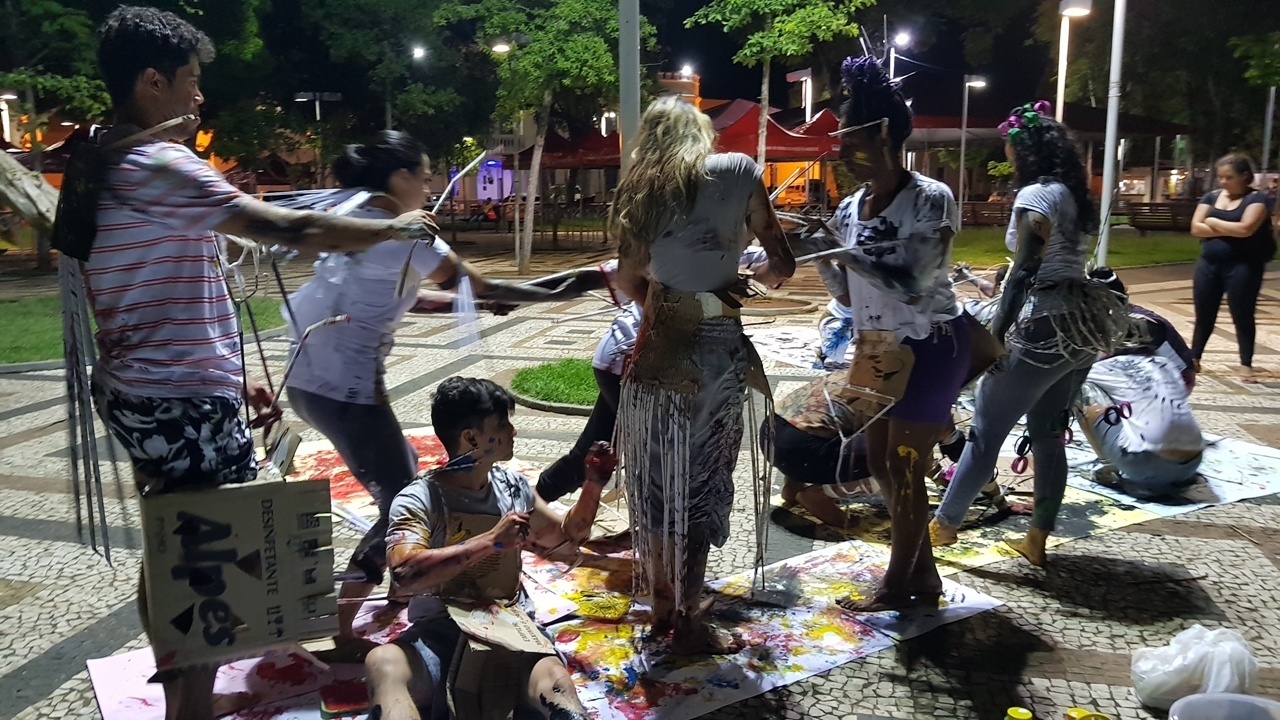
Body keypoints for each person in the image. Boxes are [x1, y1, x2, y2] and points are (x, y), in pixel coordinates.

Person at [82, 8, 438, 720]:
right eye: (190, 81)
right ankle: (190, 704)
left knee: (171, 539)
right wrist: (389, 230)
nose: (198, 96)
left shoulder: (102, 154)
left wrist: (226, 373)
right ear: (152, 81)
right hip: (176, 395)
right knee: (205, 558)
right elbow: (287, 225)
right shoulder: (159, 163)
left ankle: (181, 688)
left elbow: (153, 280)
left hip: (144, 385)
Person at [283, 131, 576, 656]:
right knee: (400, 502)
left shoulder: (357, 219)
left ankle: (389, 590)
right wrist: (582, 284)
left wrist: (472, 302)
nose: (429, 186)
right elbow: (481, 285)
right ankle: (342, 623)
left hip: (307, 381)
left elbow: (404, 298)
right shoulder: (410, 235)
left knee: (400, 481)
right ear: (398, 178)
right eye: (422, 176)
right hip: (347, 389)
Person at [611, 96, 795, 654]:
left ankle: (662, 606)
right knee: (703, 481)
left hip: (655, 353)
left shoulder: (641, 188)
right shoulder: (738, 170)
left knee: (656, 482)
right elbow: (782, 264)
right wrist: (742, 276)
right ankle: (690, 619)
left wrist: (674, 295)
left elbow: (628, 280)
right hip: (715, 356)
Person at [930, 101, 1130, 567]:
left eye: (1010, 147)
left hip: (1041, 326)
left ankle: (944, 526)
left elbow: (1023, 272)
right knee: (1048, 434)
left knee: (985, 433)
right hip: (1078, 328)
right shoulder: (1073, 195)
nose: (1007, 154)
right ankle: (1037, 538)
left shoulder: (1037, 196)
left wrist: (996, 335)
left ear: (1025, 151)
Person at [365, 377, 613, 720]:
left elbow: (564, 539)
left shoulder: (510, 487)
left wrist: (593, 484)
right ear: (471, 438)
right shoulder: (420, 499)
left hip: (509, 631)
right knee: (383, 662)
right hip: (442, 634)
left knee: (556, 683)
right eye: (502, 424)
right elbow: (405, 573)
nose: (513, 431)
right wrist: (490, 541)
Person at [818, 56, 969, 613]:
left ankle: (895, 586)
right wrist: (820, 252)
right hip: (877, 348)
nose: (839, 150)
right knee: (882, 463)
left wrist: (845, 253)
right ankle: (923, 577)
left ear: (882, 134)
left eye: (849, 137)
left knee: (905, 467)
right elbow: (843, 293)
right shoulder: (851, 206)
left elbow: (915, 283)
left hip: (929, 344)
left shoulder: (930, 198)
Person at [535, 246, 771, 503]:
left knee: (603, 443)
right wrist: (511, 294)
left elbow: (777, 265)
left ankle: (536, 498)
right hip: (634, 363)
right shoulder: (668, 249)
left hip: (639, 363)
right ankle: (663, 518)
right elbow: (585, 279)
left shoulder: (723, 248)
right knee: (663, 454)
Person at [770, 373, 1015, 528]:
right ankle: (817, 495)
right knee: (900, 456)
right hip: (805, 451)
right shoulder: (924, 398)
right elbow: (948, 452)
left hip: (772, 434)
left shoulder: (883, 369)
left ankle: (793, 486)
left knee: (825, 425)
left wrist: (941, 479)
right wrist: (999, 501)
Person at [1077, 270, 1205, 498]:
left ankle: (1108, 467)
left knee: (1082, 389)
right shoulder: (1161, 361)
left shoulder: (1098, 363)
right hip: (1193, 462)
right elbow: (1184, 376)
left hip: (1143, 468)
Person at [1189, 153, 1276, 383]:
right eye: (1220, 177)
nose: (1223, 182)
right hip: (1209, 264)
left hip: (1243, 265)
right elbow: (1196, 228)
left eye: (1229, 177)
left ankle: (1245, 364)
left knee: (1242, 313)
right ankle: (1194, 358)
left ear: (1244, 176)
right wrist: (1229, 228)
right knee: (1204, 313)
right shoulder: (1211, 197)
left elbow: (1246, 229)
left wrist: (1213, 223)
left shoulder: (1257, 199)